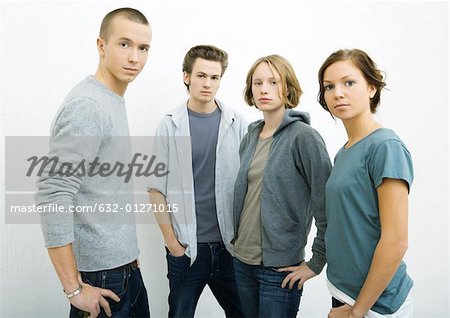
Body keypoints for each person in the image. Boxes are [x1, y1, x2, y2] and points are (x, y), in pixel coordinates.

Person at [35, 8, 152, 318]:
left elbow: (103, 189)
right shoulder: (88, 105)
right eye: (124, 44)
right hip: (102, 279)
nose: (135, 58)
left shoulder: (111, 99)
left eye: (143, 48)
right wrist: (73, 289)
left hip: (124, 269)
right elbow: (53, 192)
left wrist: (127, 254)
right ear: (102, 46)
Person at [148, 45, 246, 318]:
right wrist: (173, 244)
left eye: (215, 77)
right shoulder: (169, 125)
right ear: (186, 76)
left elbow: (249, 184)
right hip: (187, 250)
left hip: (230, 248)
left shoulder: (237, 122)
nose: (208, 83)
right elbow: (155, 189)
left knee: (244, 312)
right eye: (201, 75)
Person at [232, 54, 332, 318]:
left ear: (287, 87)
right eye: (257, 83)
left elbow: (328, 204)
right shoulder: (251, 135)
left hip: (279, 270)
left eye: (273, 82)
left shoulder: (304, 137)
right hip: (242, 262)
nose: (264, 89)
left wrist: (316, 262)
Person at [317, 49, 414, 318]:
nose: (338, 93)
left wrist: (357, 311)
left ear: (372, 87)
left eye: (349, 82)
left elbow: (396, 240)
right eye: (329, 86)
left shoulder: (386, 147)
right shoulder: (345, 150)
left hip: (375, 305)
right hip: (343, 293)